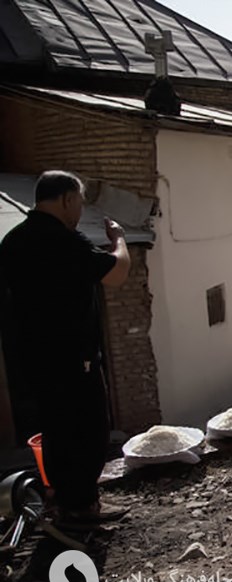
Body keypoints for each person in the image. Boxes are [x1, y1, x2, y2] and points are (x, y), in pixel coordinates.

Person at [0, 171, 131, 525]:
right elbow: (117, 273)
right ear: (67, 199)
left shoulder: (12, 241)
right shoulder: (64, 241)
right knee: (88, 431)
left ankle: (60, 501)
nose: (80, 209)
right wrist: (119, 240)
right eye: (79, 201)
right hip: (75, 359)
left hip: (35, 358)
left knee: (56, 429)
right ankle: (84, 507)